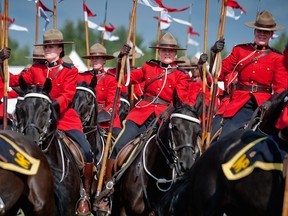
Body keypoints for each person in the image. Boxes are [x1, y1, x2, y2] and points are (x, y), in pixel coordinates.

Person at [9, 28, 94, 214]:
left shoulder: (70, 71)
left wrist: (52, 108)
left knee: (87, 152)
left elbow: (68, 95)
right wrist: (1, 62)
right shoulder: (36, 69)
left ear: (60, 49)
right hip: (37, 121)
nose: (48, 49)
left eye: (52, 46)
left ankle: (84, 195)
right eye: (46, 46)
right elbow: (13, 80)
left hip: (64, 119)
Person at [106, 32, 191, 182]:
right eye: (164, 50)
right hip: (140, 114)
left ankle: (175, 182)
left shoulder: (181, 75)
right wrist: (121, 59)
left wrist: (169, 111)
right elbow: (125, 79)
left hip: (164, 119)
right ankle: (108, 184)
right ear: (159, 52)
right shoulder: (148, 67)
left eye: (170, 51)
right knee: (119, 145)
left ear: (175, 54)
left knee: (174, 151)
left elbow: (181, 99)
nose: (167, 53)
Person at [211, 10, 287, 141]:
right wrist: (214, 52)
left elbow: (281, 89)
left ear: (271, 34)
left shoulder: (278, 58)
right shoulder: (240, 50)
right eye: (259, 31)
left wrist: (271, 103)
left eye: (266, 32)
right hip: (240, 102)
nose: (262, 34)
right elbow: (218, 73)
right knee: (223, 137)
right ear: (254, 32)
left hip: (264, 104)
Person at [78, 43, 129, 138]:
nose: (94, 60)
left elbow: (113, 105)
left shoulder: (111, 79)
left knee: (119, 143)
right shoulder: (81, 77)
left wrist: (97, 117)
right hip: (84, 120)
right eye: (92, 58)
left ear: (104, 60)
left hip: (106, 122)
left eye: (98, 58)